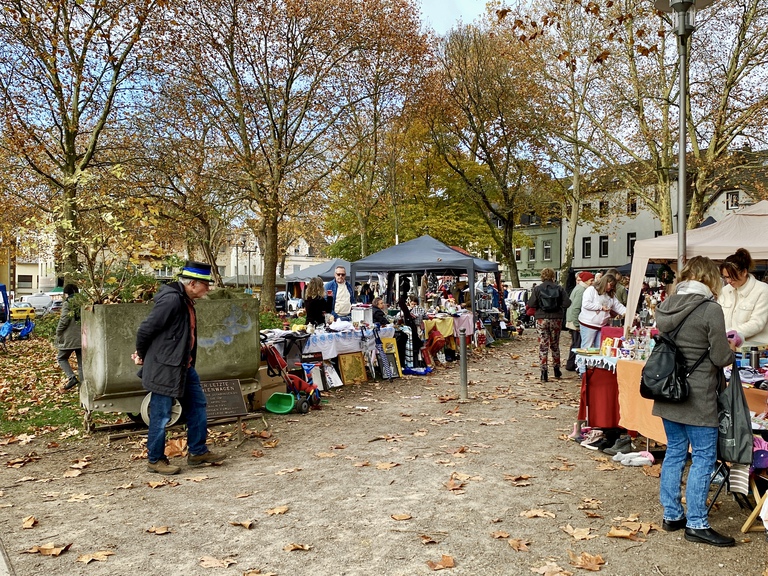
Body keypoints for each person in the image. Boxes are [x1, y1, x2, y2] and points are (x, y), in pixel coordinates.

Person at [653, 256, 736, 547]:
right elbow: (720, 357)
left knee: (675, 452)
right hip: (698, 394)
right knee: (703, 456)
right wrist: (732, 348)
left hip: (668, 390)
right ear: (710, 278)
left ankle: (672, 514)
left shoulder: (665, 305)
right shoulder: (710, 309)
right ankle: (697, 522)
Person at [133, 261, 224, 475]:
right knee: (161, 414)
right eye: (205, 284)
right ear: (192, 284)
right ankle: (155, 460)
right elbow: (145, 330)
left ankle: (198, 452)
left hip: (183, 366)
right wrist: (143, 355)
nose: (208, 289)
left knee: (198, 406)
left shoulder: (186, 300)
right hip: (166, 368)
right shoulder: (173, 300)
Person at [526, 268, 571, 382]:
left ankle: (543, 372)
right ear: (553, 276)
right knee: (555, 344)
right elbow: (567, 303)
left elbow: (531, 303)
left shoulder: (537, 289)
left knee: (543, 345)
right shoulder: (559, 288)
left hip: (542, 318)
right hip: (556, 318)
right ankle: (556, 369)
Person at [718, 248, 768, 345]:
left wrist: (728, 333)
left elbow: (757, 323)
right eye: (726, 277)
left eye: (732, 276)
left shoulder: (762, 290)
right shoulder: (724, 290)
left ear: (744, 272)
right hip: (727, 346)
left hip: (755, 347)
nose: (728, 281)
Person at [578, 273, 626, 350]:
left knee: (600, 348)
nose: (611, 287)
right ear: (605, 282)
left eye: (613, 286)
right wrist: (601, 307)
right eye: (610, 285)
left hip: (601, 326)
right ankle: (583, 362)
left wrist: (628, 312)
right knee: (586, 347)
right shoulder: (591, 290)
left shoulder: (610, 295)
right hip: (588, 324)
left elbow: (618, 306)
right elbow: (586, 304)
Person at [565, 271, 594, 372]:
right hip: (575, 321)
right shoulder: (582, 290)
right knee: (577, 345)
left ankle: (571, 364)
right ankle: (576, 365)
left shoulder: (578, 288)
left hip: (572, 320)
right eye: (591, 280)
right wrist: (577, 324)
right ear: (586, 280)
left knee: (575, 344)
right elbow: (576, 308)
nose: (592, 282)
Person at [56, 284, 83, 391]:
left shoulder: (68, 303)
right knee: (81, 364)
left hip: (70, 336)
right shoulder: (83, 302)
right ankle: (83, 388)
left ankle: (71, 377)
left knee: (61, 357)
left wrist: (58, 332)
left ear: (66, 293)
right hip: (83, 336)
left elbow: (64, 320)